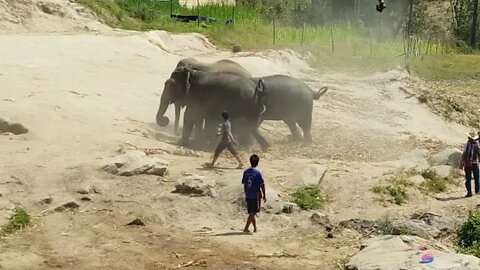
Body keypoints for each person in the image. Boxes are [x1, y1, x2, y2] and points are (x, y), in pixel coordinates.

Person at [241, 154, 266, 234]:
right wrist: (264, 195)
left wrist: (246, 194)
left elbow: (244, 184)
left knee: (252, 212)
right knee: (253, 212)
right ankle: (246, 228)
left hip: (248, 194)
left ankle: (255, 228)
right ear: (258, 162)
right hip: (256, 195)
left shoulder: (246, 172)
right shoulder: (258, 173)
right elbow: (262, 184)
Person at [460, 130, 480, 197]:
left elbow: (464, 154)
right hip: (475, 163)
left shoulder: (467, 144)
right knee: (476, 178)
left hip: (468, 163)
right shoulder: (477, 144)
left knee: (468, 178)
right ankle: (477, 191)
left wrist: (461, 163)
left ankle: (469, 193)